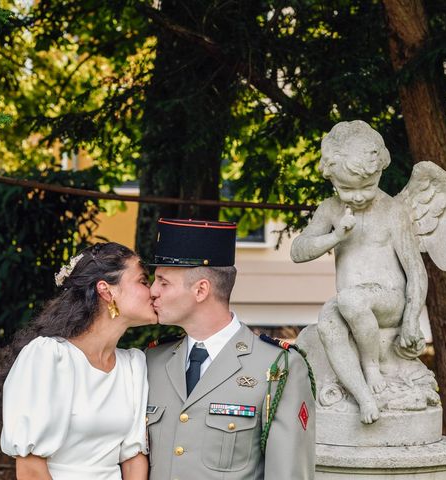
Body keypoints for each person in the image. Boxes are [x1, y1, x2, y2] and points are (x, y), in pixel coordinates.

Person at [145, 218, 316, 480]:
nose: (153, 291)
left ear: (201, 290)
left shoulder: (278, 367)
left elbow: (288, 473)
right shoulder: (151, 361)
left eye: (163, 282)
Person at [290, 120, 429, 423]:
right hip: (349, 304)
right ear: (331, 179)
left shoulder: (393, 211)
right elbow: (297, 251)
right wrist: (335, 237)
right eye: (346, 189)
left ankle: (371, 366)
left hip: (389, 302)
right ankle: (365, 397)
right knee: (328, 321)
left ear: (380, 172)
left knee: (351, 300)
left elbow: (416, 271)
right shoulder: (330, 209)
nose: (357, 197)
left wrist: (411, 319)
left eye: (367, 187)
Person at [0, 242, 157, 480]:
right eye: (143, 281)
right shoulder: (49, 357)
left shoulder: (133, 365)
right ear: (107, 291)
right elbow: (30, 470)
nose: (154, 291)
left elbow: (133, 456)